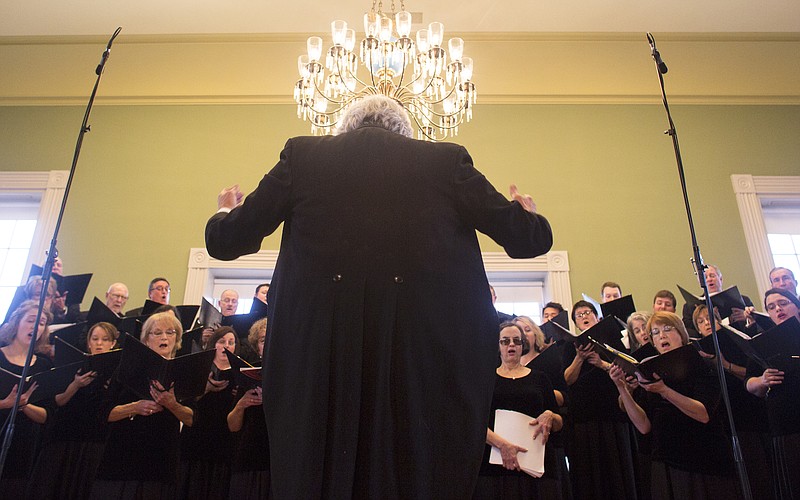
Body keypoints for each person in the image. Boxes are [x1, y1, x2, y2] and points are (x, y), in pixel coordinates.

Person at [205, 94, 553, 498]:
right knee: (414, 463)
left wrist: (224, 213)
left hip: (322, 355)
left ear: (345, 129)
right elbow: (530, 239)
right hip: (420, 358)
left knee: (319, 461)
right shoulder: (446, 160)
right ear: (405, 131)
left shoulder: (302, 156)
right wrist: (528, 214)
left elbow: (225, 242)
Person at [609, 311, 742, 499]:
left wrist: (664, 391)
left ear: (681, 334)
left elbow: (703, 414)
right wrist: (622, 388)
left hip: (704, 461)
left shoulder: (701, 364)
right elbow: (644, 426)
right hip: (666, 462)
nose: (661, 335)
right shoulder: (650, 371)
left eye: (667, 329)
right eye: (655, 332)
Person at [90, 312, 194, 499]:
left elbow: (193, 419)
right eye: (157, 333)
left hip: (160, 463)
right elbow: (103, 414)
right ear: (146, 340)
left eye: (170, 332)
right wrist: (134, 407)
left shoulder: (184, 372)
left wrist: (172, 404)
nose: (164, 337)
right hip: (121, 458)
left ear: (177, 339)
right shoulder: (127, 369)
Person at [28, 322, 118, 499]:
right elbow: (58, 402)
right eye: (95, 339)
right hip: (65, 435)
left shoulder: (118, 370)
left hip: (95, 441)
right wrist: (75, 385)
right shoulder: (73, 364)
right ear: (88, 342)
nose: (99, 343)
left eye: (105, 339)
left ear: (113, 344)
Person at [692, 305, 773, 499]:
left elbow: (751, 373)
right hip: (725, 418)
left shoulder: (734, 339)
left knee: (760, 468)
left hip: (748, 410)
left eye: (709, 318)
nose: (706, 323)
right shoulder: (699, 349)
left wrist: (724, 364)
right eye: (700, 322)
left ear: (719, 319)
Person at [474, 322, 563, 499]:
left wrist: (550, 415)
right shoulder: (485, 380)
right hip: (495, 467)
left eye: (516, 341)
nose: (511, 345)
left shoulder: (540, 378)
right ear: (498, 346)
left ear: (523, 345)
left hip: (535, 466)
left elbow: (560, 423)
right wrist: (503, 445)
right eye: (505, 341)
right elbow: (474, 424)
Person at [562, 300, 637, 499]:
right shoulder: (571, 346)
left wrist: (601, 363)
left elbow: (627, 371)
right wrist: (579, 358)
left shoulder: (611, 339)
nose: (584, 316)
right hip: (583, 417)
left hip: (613, 412)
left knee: (616, 469)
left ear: (597, 316)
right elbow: (567, 380)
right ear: (576, 324)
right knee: (588, 473)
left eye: (587, 312)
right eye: (579, 315)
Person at [745, 288, 800, 499]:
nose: (778, 309)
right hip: (785, 429)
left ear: (796, 306)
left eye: (783, 303)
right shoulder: (763, 340)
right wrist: (762, 380)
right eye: (771, 307)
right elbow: (748, 383)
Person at [0, 300, 53, 497]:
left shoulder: (44, 366)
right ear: (16, 322)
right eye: (31, 320)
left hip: (22, 448)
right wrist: (5, 404)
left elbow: (46, 416)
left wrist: (24, 405)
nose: (36, 326)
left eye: (41, 323)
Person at [178, 326, 237, 499]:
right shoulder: (199, 369)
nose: (226, 346)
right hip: (196, 437)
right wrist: (205, 389)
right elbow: (185, 402)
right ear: (213, 344)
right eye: (222, 342)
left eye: (231, 343)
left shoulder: (238, 373)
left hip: (223, 442)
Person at [227, 317, 270, 499]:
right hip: (249, 456)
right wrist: (241, 405)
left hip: (278, 458)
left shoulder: (291, 375)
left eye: (271, 337)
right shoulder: (248, 373)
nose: (267, 343)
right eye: (262, 340)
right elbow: (232, 426)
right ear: (256, 346)